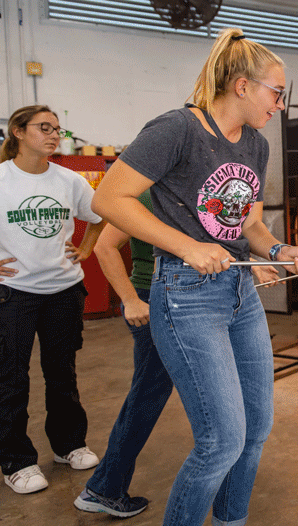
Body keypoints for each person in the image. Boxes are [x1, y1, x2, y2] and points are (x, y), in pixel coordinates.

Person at [91, 28, 298, 526]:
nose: (280, 104)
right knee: (222, 440)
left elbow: (250, 224)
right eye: (275, 93)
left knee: (257, 428)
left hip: (240, 292)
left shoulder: (256, 145)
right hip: (186, 295)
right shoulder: (178, 129)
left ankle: (231, 520)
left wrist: (281, 249)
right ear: (242, 85)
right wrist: (189, 246)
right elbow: (108, 199)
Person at [74, 192, 279, 518]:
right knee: (148, 395)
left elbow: (220, 246)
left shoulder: (204, 190)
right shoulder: (147, 190)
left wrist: (250, 267)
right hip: (159, 298)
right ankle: (104, 487)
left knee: (148, 394)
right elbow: (104, 245)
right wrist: (130, 301)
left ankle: (105, 486)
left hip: (206, 297)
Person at [0, 104, 107, 494]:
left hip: (62, 290)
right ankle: (17, 462)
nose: (55, 134)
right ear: (19, 132)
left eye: (58, 128)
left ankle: (69, 445)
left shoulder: (69, 180)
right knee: (10, 379)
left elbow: (98, 216)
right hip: (11, 294)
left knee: (62, 374)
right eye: (45, 128)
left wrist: (87, 249)